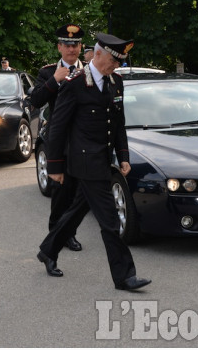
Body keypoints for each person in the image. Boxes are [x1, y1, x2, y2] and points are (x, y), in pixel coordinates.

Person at [36, 32, 151, 291]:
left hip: (103, 159)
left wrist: (123, 156)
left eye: (120, 61)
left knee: (76, 211)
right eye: (114, 60)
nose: (117, 65)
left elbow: (118, 123)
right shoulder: (75, 83)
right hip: (84, 162)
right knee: (110, 221)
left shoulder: (116, 82)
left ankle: (48, 250)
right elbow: (58, 128)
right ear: (98, 54)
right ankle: (124, 276)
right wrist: (54, 167)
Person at [30, 24, 86, 252]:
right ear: (59, 47)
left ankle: (69, 233)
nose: (71, 49)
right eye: (67, 45)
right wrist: (54, 80)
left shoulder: (91, 71)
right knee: (60, 192)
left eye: (76, 45)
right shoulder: (47, 72)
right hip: (60, 140)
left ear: (81, 47)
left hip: (83, 140)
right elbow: (35, 100)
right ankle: (57, 234)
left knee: (77, 192)